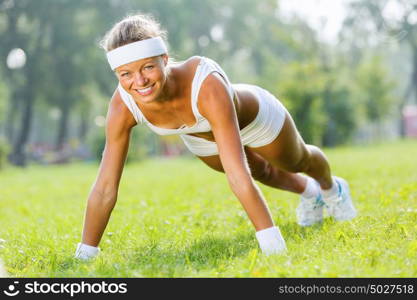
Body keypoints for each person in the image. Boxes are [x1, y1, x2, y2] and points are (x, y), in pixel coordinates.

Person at [74, 14, 357, 260]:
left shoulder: (205, 83)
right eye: (125, 74)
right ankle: (311, 194)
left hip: (255, 118)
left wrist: (272, 245)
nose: (139, 82)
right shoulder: (123, 105)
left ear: (164, 59)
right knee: (263, 172)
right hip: (200, 135)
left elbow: (237, 175)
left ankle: (332, 189)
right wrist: (85, 255)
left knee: (295, 160)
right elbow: (105, 187)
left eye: (147, 67)